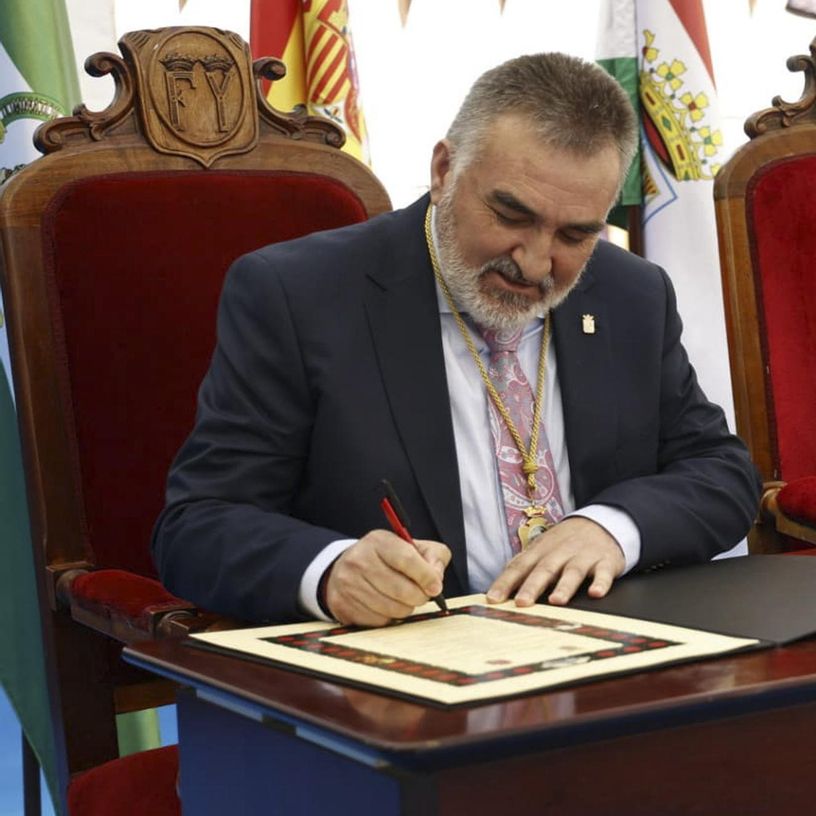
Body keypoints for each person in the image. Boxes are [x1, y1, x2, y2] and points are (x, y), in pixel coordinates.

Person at [153, 53, 760, 625]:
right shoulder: (298, 295)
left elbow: (721, 471)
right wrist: (332, 569)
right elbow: (198, 524)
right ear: (444, 171)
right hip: (409, 681)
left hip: (612, 661)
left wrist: (614, 527)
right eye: (512, 216)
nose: (535, 262)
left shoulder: (631, 293)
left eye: (574, 235)